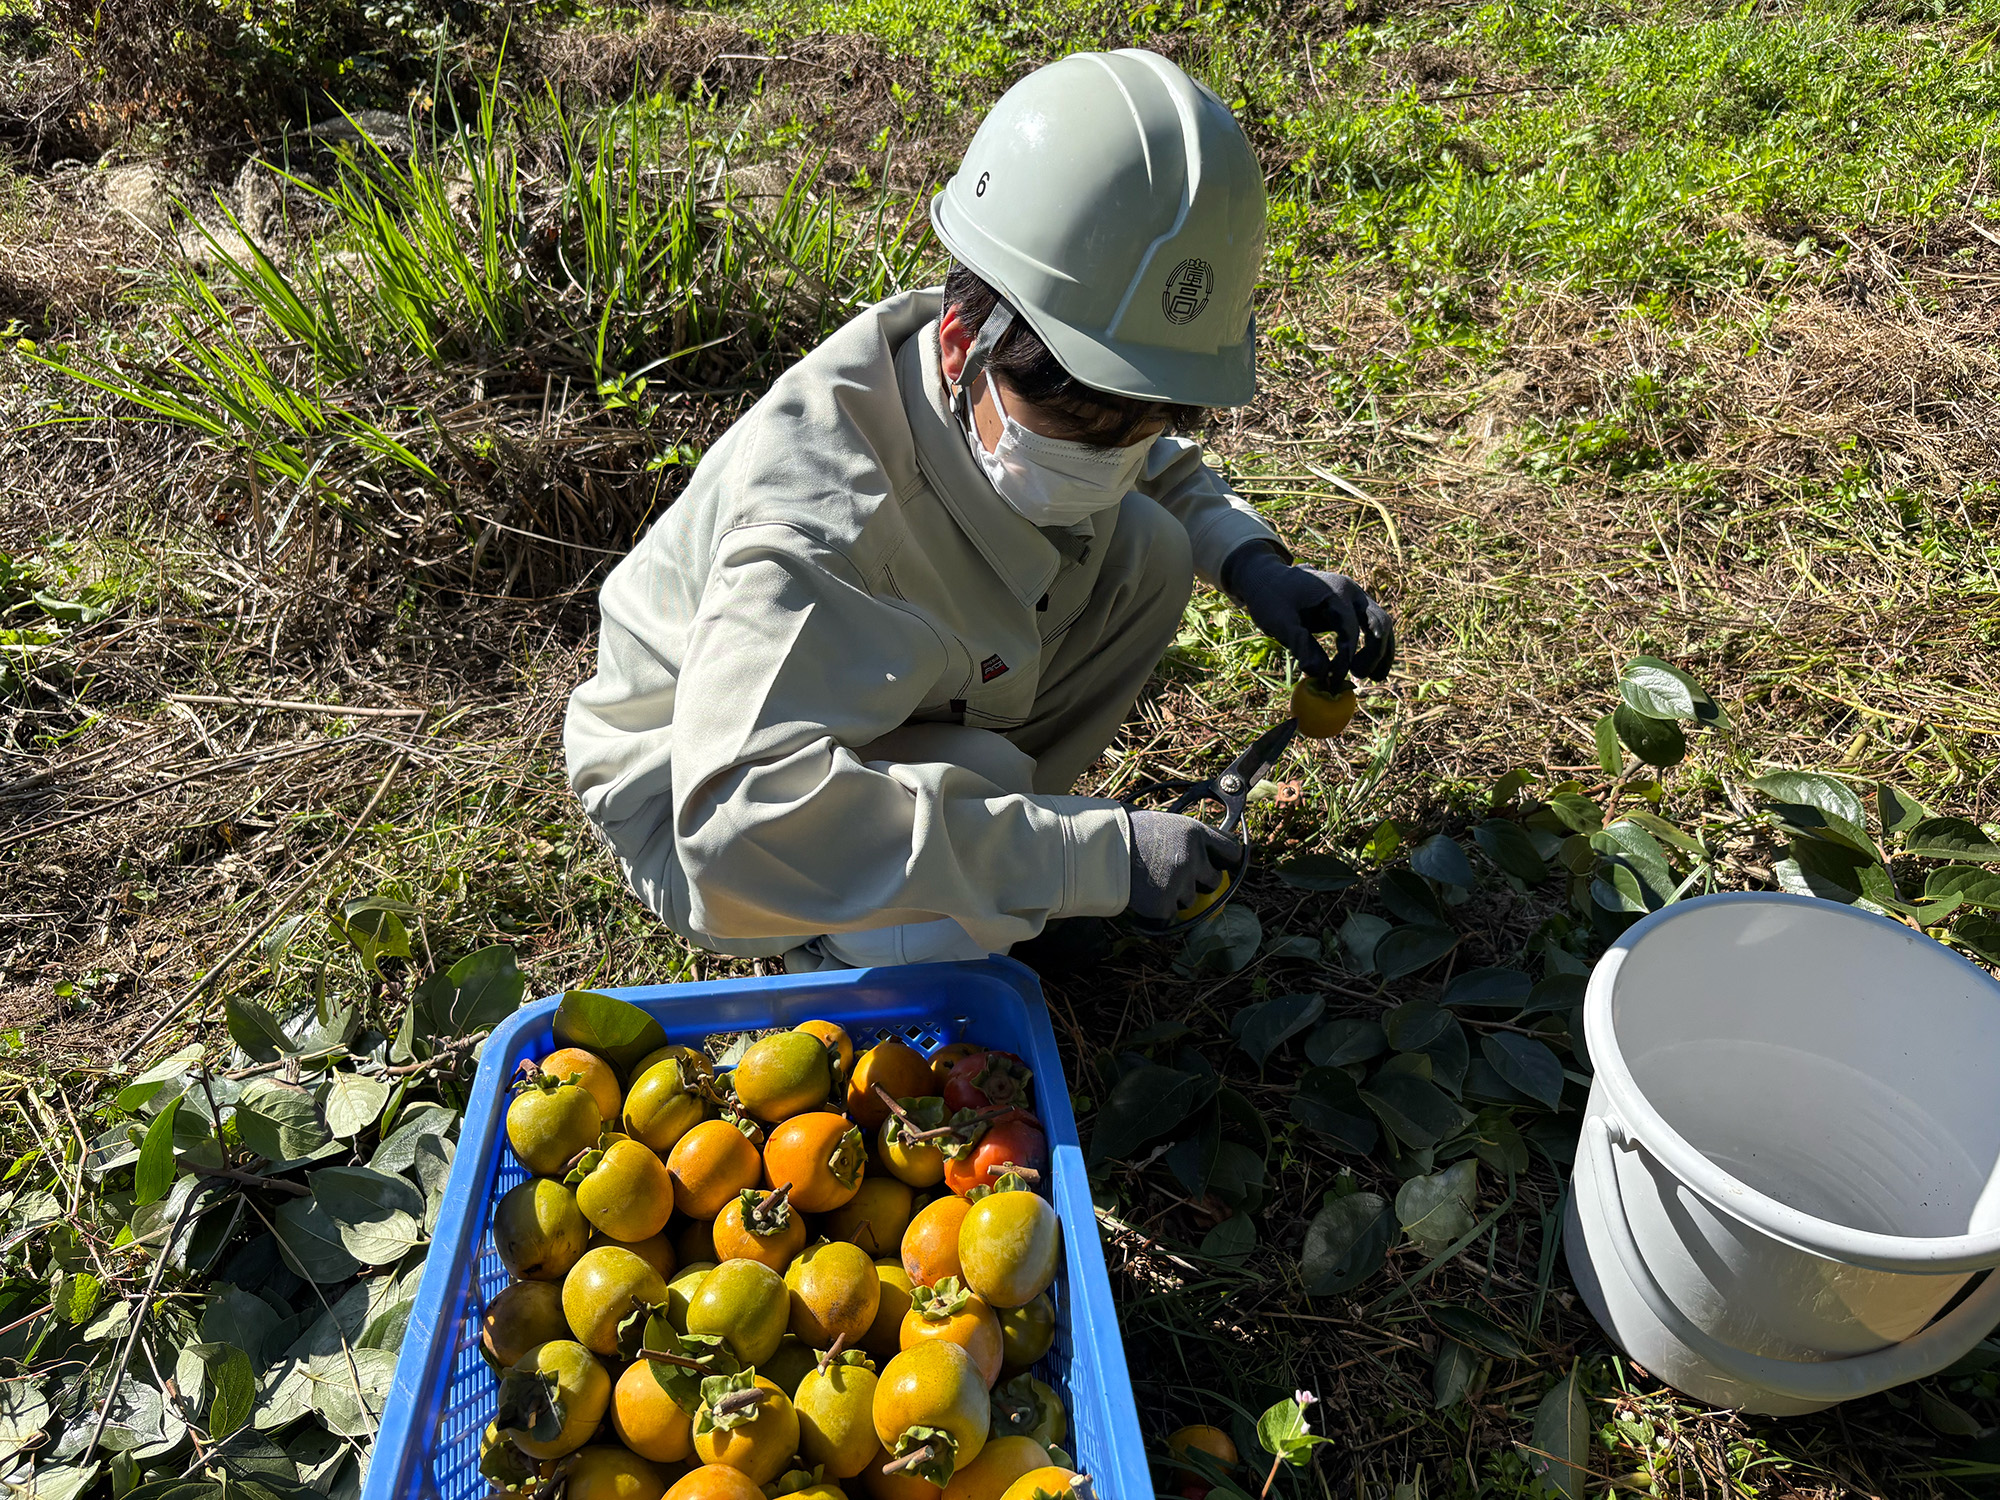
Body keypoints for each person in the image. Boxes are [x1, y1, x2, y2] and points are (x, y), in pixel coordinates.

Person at [563, 48, 1394, 972]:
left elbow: (1137, 449)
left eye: (1148, 415)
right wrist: (1090, 858)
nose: (1112, 455)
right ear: (963, 343)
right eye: (1080, 423)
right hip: (693, 795)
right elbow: (730, 829)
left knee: (1152, 550)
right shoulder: (822, 525)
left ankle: (985, 854)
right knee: (982, 822)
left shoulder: (1022, 358)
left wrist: (1250, 561)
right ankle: (838, 944)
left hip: (882, 688)